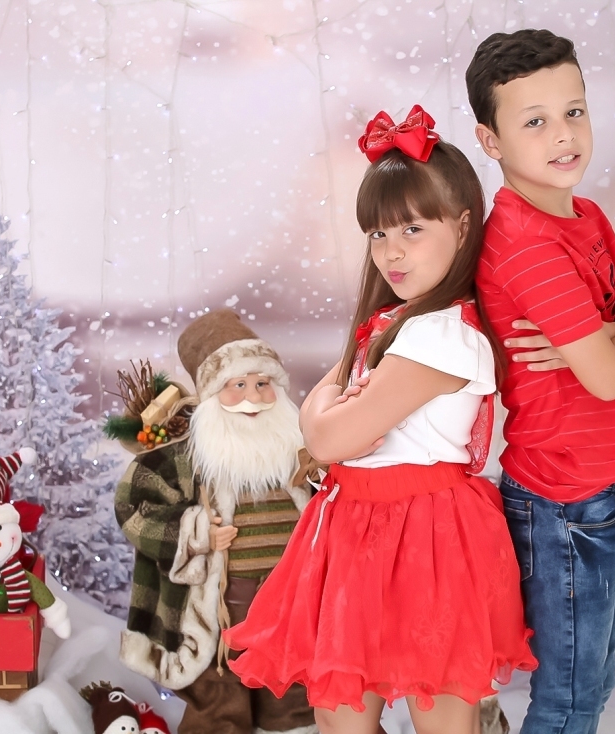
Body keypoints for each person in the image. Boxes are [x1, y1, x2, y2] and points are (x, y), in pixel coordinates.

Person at [223, 105, 537, 734]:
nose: (391, 252)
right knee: (340, 713)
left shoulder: (444, 336)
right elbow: (328, 423)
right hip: (356, 529)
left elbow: (328, 433)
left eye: (413, 229)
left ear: (463, 225)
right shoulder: (395, 323)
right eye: (377, 234)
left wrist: (325, 411)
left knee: (439, 717)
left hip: (425, 537)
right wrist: (330, 412)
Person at [465, 28, 615, 734]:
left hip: (604, 486)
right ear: (491, 141)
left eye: (574, 111)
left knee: (595, 680)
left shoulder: (586, 216)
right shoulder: (526, 246)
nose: (563, 135)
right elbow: (612, 374)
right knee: (570, 698)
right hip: (565, 501)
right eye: (535, 121)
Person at [113, 309, 321, 734]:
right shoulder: (182, 457)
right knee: (219, 700)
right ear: (210, 394)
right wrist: (196, 533)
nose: (253, 397)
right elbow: (134, 510)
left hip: (290, 606)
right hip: (216, 610)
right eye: (237, 385)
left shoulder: (303, 450)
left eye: (262, 383)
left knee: (292, 696)